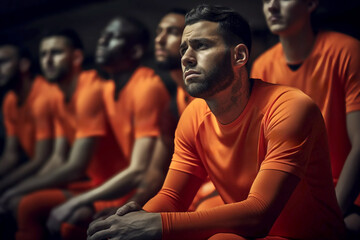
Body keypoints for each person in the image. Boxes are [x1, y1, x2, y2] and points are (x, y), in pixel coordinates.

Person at [87, 4, 346, 240]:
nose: (186, 57)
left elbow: (259, 214)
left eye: (201, 46)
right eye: (183, 49)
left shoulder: (290, 107)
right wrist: (133, 221)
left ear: (239, 56)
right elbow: (172, 198)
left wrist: (158, 225)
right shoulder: (193, 115)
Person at [45, 16, 171, 239]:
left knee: (66, 216)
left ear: (135, 52)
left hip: (146, 189)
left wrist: (80, 201)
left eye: (113, 38)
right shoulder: (105, 89)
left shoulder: (147, 87)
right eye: (103, 36)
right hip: (116, 184)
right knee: (71, 224)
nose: (102, 41)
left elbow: (144, 170)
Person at [251, 0, 360, 236]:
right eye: (267, 0)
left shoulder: (347, 51)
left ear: (310, 3)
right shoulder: (262, 67)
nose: (272, 6)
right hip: (288, 198)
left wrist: (332, 212)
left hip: (347, 194)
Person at [0, 29, 122, 240]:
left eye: (55, 53)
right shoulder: (57, 95)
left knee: (27, 205)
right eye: (44, 54)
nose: (47, 60)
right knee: (24, 202)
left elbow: (75, 166)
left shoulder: (88, 90)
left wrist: (16, 190)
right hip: (92, 182)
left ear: (76, 57)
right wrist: (20, 188)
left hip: (114, 184)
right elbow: (56, 158)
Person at [0, 42, 56, 203]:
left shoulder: (43, 96)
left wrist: (4, 186)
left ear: (23, 64)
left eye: (3, 62)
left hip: (53, 171)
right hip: (40, 170)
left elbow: (42, 158)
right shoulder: (10, 100)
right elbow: (10, 156)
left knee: (17, 202)